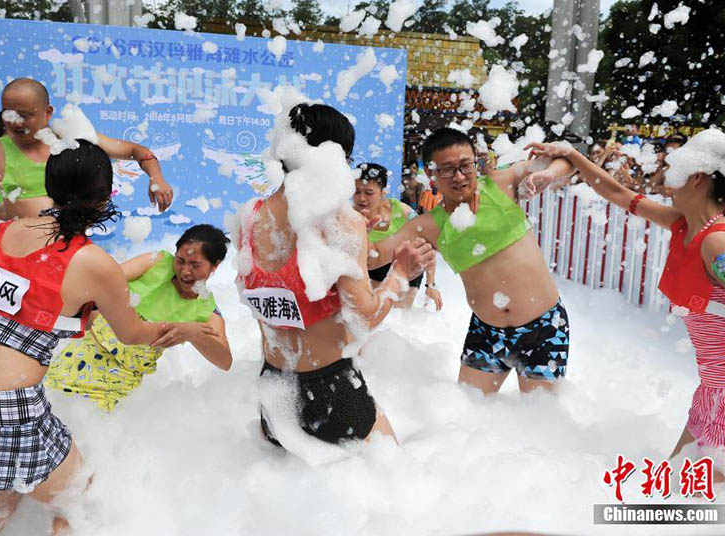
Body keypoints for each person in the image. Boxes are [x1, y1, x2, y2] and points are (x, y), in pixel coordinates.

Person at [0, 140, 169, 534]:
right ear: (104, 199)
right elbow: (132, 334)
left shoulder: (14, 225)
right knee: (78, 495)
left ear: (49, 184)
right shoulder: (94, 264)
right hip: (5, 407)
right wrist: (175, 331)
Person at [526, 119, 725, 478]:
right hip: (715, 393)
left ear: (697, 177)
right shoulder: (690, 226)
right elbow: (621, 196)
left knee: (701, 506)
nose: (666, 174)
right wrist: (573, 156)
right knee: (677, 497)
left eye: (675, 167)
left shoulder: (719, 243)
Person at [237, 100, 433, 450]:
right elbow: (364, 317)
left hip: (275, 394)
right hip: (329, 393)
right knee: (392, 484)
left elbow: (291, 284)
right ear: (332, 157)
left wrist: (361, 244)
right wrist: (400, 273)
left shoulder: (249, 217)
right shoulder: (340, 221)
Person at [369, 128, 574, 394]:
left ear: (475, 163)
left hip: (543, 327)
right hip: (487, 332)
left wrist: (548, 174)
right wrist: (352, 230)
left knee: (541, 421)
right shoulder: (430, 225)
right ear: (431, 174)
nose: (459, 176)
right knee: (469, 416)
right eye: (447, 169)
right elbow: (375, 256)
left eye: (465, 166)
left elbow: (568, 160)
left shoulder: (501, 182)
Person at [46, 224, 233, 411]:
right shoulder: (156, 263)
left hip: (120, 379)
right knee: (52, 403)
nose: (184, 271)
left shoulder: (206, 311)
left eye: (195, 265)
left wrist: (194, 334)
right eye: (180, 260)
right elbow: (102, 281)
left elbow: (225, 362)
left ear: (215, 265)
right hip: (84, 352)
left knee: (92, 423)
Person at [0, 78, 174, 225]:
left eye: (24, 115)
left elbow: (137, 150)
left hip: (66, 251)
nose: (15, 122)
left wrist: (156, 178)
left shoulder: (71, 137)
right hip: (21, 255)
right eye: (8, 113)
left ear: (47, 113)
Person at [353, 162, 442, 310]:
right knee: (372, 314)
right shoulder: (351, 217)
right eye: (356, 192)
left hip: (404, 269)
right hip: (370, 270)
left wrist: (430, 285)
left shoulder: (403, 212)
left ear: (383, 192)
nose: (362, 198)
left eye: (369, 193)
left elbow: (426, 246)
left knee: (398, 319)